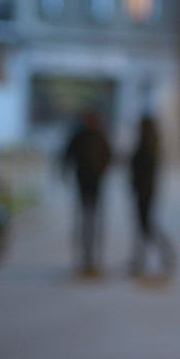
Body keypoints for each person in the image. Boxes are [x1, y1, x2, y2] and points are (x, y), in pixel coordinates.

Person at [63, 110, 111, 275]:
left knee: (95, 222)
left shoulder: (100, 137)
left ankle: (94, 258)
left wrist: (100, 171)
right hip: (83, 184)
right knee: (84, 221)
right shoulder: (79, 137)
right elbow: (67, 156)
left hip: (96, 184)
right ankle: (84, 257)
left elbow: (108, 157)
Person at [130, 116, 175, 275]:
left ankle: (164, 253)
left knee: (146, 225)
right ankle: (141, 259)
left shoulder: (146, 147)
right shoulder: (152, 145)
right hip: (147, 190)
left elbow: (140, 170)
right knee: (145, 226)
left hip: (144, 191)